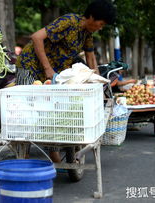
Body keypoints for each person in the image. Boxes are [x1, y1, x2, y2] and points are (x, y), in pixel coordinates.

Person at [16, 0, 116, 162]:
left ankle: (54, 153)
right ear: (91, 16)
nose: (100, 27)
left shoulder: (87, 34)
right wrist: (48, 68)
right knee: (29, 112)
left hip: (52, 75)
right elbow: (36, 37)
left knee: (52, 112)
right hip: (31, 67)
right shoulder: (69, 22)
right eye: (101, 23)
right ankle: (23, 157)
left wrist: (98, 82)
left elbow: (90, 57)